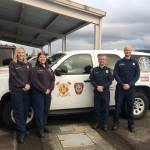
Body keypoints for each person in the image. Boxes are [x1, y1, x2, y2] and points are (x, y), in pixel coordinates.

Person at [112, 45, 140, 132]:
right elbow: (115, 74)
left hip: (130, 89)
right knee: (118, 106)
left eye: (129, 50)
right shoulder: (119, 62)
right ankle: (116, 123)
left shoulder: (135, 62)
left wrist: (130, 84)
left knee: (130, 106)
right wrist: (122, 83)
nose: (127, 52)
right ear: (124, 51)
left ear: (131, 51)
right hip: (120, 88)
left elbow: (137, 75)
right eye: (126, 50)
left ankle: (131, 125)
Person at [9, 47, 32, 143]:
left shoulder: (29, 64)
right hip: (17, 92)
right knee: (18, 113)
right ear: (16, 54)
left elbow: (31, 77)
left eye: (23, 52)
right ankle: (21, 133)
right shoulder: (12, 64)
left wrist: (29, 85)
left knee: (26, 112)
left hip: (27, 92)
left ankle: (23, 129)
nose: (21, 54)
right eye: (19, 52)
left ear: (25, 54)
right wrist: (23, 85)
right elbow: (14, 78)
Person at [31, 52, 55, 138]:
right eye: (40, 57)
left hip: (48, 93)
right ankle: (39, 130)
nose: (42, 58)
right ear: (38, 59)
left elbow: (53, 80)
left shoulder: (49, 69)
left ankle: (44, 126)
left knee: (46, 110)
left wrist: (50, 89)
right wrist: (44, 90)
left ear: (46, 58)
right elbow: (35, 82)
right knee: (39, 111)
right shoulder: (35, 69)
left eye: (44, 57)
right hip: (38, 94)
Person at [90, 55, 113, 131]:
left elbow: (110, 80)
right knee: (97, 108)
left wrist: (103, 87)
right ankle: (97, 123)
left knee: (105, 109)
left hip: (105, 92)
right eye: (100, 59)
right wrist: (97, 86)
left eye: (103, 59)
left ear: (106, 61)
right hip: (97, 92)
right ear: (99, 60)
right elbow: (92, 79)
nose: (102, 60)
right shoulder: (94, 70)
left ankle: (105, 124)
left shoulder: (109, 70)